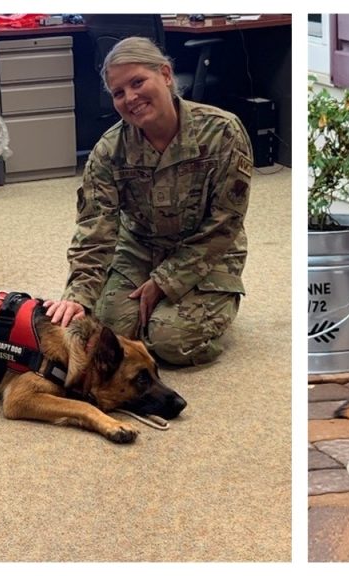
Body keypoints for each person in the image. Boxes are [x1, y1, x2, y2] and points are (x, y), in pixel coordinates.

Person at [44, 37, 254, 365]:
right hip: (139, 248)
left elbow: (226, 223)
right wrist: (77, 297)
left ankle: (205, 306)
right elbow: (94, 231)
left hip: (206, 252)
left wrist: (165, 281)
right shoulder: (108, 151)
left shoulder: (222, 132)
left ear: (166, 75)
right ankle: (158, 309)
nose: (130, 98)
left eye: (138, 82)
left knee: (172, 341)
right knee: (108, 335)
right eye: (118, 92)